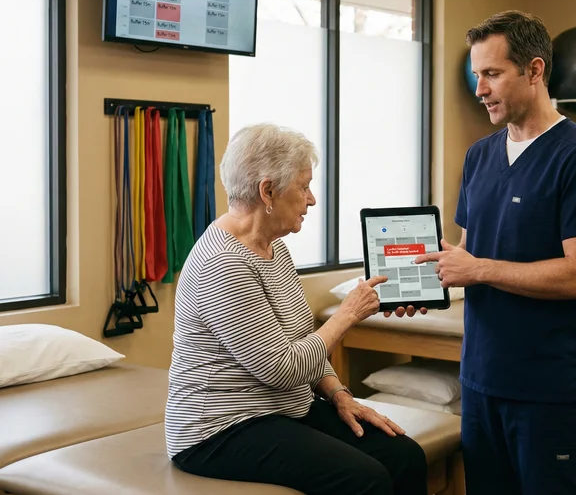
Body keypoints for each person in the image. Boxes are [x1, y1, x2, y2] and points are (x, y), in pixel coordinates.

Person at [415, 10, 576, 494]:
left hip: (548, 387)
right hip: (482, 379)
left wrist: (478, 268)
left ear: (534, 71)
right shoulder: (479, 155)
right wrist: (432, 277)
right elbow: (472, 253)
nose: (480, 89)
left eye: (492, 74)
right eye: (476, 76)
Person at [165, 123, 428, 495]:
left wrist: (339, 394)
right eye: (303, 186)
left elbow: (303, 341)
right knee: (365, 479)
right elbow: (284, 369)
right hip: (220, 428)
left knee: (404, 455)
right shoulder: (223, 263)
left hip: (283, 410)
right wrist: (347, 314)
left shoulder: (274, 248)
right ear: (267, 191)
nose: (312, 199)